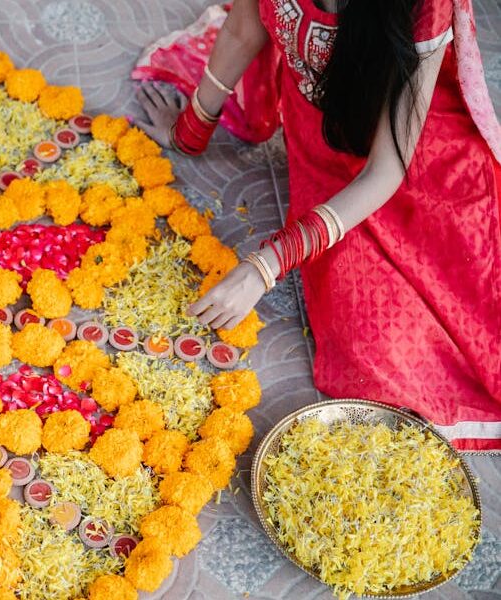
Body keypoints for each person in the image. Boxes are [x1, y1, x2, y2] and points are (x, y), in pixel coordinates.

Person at [133, 0, 501, 452]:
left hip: (414, 155)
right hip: (325, 141)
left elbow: (385, 171)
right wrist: (190, 130)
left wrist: (264, 267)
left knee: (451, 318)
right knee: (364, 339)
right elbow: (244, 29)